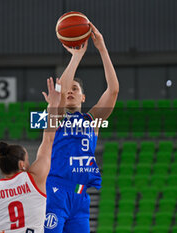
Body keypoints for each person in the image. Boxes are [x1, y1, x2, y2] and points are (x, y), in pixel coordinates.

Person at [0, 77, 61, 233]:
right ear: (21, 164)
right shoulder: (35, 178)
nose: (29, 164)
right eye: (27, 160)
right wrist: (53, 105)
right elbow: (48, 139)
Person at [44, 22, 119, 232]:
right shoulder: (56, 115)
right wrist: (76, 57)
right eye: (69, 88)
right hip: (55, 189)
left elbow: (113, 91)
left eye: (75, 89)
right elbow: (60, 92)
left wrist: (102, 48)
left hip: (81, 197)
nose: (70, 91)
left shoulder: (92, 121)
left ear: (83, 96)